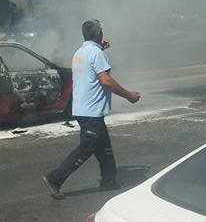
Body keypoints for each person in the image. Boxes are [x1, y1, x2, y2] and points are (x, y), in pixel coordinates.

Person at [43, 18, 140, 199]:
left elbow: (92, 68)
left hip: (83, 109)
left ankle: (109, 180)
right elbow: (106, 80)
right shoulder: (96, 54)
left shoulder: (81, 52)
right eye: (101, 31)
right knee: (86, 148)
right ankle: (54, 179)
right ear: (98, 34)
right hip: (91, 111)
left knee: (104, 147)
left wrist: (100, 49)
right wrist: (129, 95)